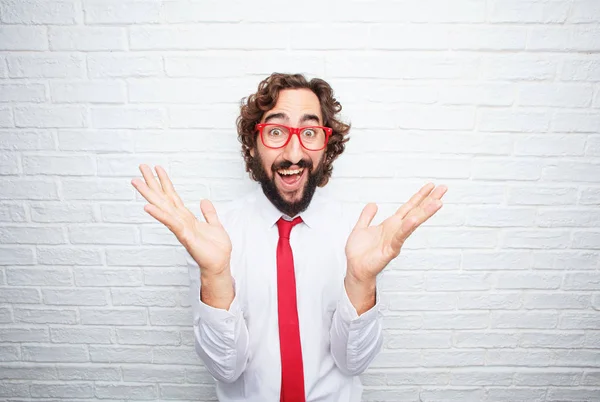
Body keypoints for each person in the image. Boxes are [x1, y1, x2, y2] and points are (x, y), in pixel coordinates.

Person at [131, 73, 447, 402]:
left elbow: (354, 364)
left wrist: (361, 280)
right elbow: (226, 369)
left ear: (327, 146)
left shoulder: (359, 235)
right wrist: (215, 275)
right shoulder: (213, 236)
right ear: (253, 145)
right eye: (276, 131)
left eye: (309, 132)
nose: (294, 152)